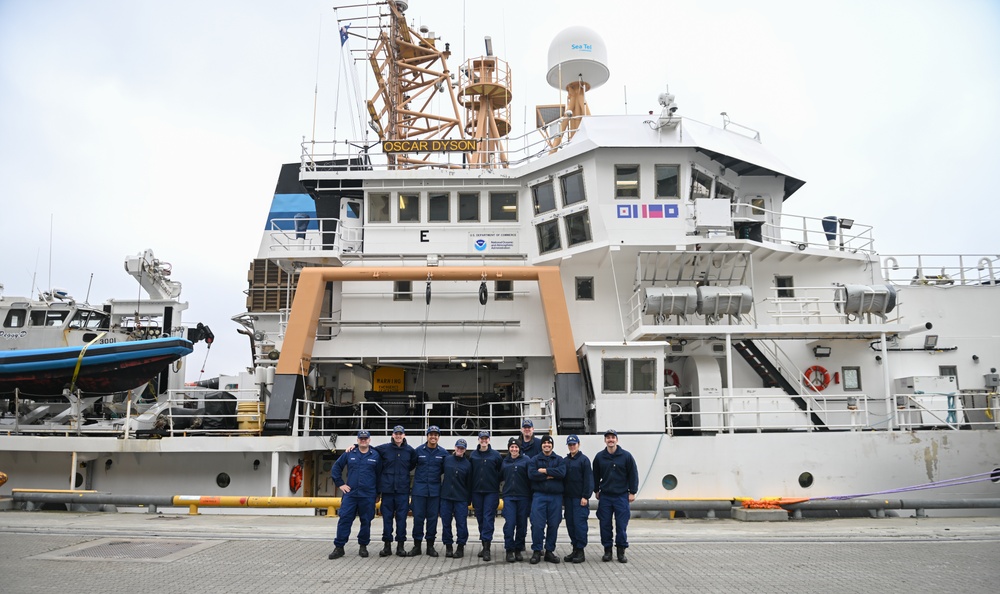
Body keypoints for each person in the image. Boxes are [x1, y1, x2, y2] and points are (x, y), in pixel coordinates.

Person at [329, 430, 382, 559]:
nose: (363, 440)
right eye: (361, 438)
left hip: (368, 495)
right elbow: (336, 468)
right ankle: (339, 547)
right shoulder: (349, 453)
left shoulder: (375, 455)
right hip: (351, 494)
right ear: (357, 440)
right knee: (344, 520)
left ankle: (363, 547)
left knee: (366, 521)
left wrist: (378, 493)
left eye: (365, 438)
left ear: (369, 440)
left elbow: (380, 475)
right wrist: (340, 483)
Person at [592, 428, 639, 563]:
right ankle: (607, 550)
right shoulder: (600, 457)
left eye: (613, 437)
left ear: (617, 440)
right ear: (605, 440)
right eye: (608, 438)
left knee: (621, 525)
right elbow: (595, 475)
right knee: (605, 524)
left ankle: (621, 550)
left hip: (621, 496)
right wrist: (596, 490)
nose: (610, 440)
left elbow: (633, 474)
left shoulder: (626, 456)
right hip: (605, 496)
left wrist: (633, 492)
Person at [373, 425, 416, 558]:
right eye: (396, 434)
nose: (398, 436)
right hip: (387, 492)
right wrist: (354, 446)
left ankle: (400, 547)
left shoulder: (410, 451)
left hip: (402, 491)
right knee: (387, 519)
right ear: (392, 435)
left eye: (400, 434)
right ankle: (387, 546)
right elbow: (369, 449)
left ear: (404, 435)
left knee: (402, 520)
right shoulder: (384, 449)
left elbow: (412, 464)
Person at [407, 425, 447, 557]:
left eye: (436, 435)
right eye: (431, 434)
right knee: (418, 519)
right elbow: (410, 466)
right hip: (419, 491)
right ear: (427, 436)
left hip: (435, 492)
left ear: (439, 437)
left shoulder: (443, 453)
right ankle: (417, 546)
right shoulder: (418, 451)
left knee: (432, 519)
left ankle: (430, 546)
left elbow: (446, 469)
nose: (433, 437)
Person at [527, 434, 565, 564]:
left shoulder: (559, 459)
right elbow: (532, 474)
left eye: (549, 443)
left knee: (554, 524)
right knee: (537, 524)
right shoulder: (534, 460)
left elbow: (561, 473)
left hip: (556, 497)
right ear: (541, 445)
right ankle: (537, 551)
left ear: (552, 445)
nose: (546, 445)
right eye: (544, 443)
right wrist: (549, 475)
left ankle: (549, 551)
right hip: (539, 495)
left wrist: (544, 470)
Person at [469, 430, 503, 561]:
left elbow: (500, 472)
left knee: (488, 518)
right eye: (481, 438)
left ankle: (487, 548)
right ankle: (484, 545)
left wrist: (493, 482)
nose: (484, 440)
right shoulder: (473, 456)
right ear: (478, 440)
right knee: (480, 519)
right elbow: (471, 474)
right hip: (477, 492)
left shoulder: (495, 456)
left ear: (489, 440)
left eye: (486, 438)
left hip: (491, 492)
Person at [562, 434, 594, 563]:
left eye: (574, 444)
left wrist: (585, 496)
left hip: (579, 499)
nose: (572, 446)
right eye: (570, 444)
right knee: (570, 524)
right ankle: (575, 548)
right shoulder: (565, 460)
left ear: (578, 445)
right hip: (568, 499)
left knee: (579, 524)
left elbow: (588, 480)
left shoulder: (584, 460)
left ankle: (580, 551)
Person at [439, 438, 472, 559]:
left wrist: (468, 499)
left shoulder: (468, 465)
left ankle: (460, 547)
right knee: (446, 523)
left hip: (461, 498)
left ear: (465, 450)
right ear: (454, 447)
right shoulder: (447, 460)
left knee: (461, 524)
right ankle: (448, 546)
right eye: (458, 447)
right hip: (446, 497)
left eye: (462, 448)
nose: (459, 449)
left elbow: (469, 484)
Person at [500, 436, 530, 562]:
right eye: (511, 447)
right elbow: (500, 477)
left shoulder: (526, 460)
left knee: (522, 524)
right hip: (509, 497)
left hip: (523, 496)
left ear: (519, 448)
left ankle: (518, 549)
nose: (514, 449)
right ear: (509, 449)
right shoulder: (504, 462)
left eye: (516, 447)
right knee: (510, 523)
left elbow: (531, 477)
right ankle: (509, 549)